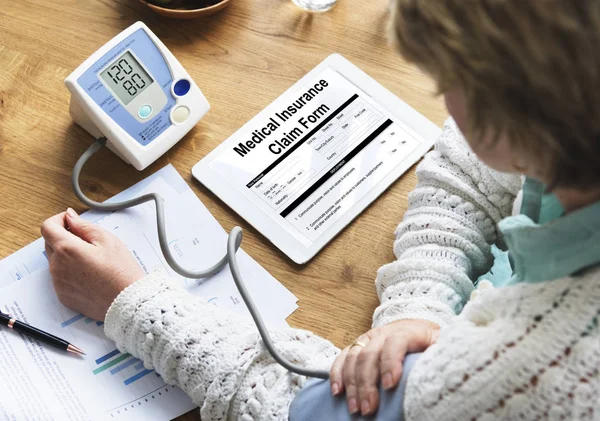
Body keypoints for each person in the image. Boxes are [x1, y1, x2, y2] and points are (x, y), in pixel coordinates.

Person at [41, 0, 600, 419]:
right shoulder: (570, 115)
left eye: (449, 81)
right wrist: (417, 309)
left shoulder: (537, 376)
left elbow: (304, 410)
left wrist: (133, 304)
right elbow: (470, 169)